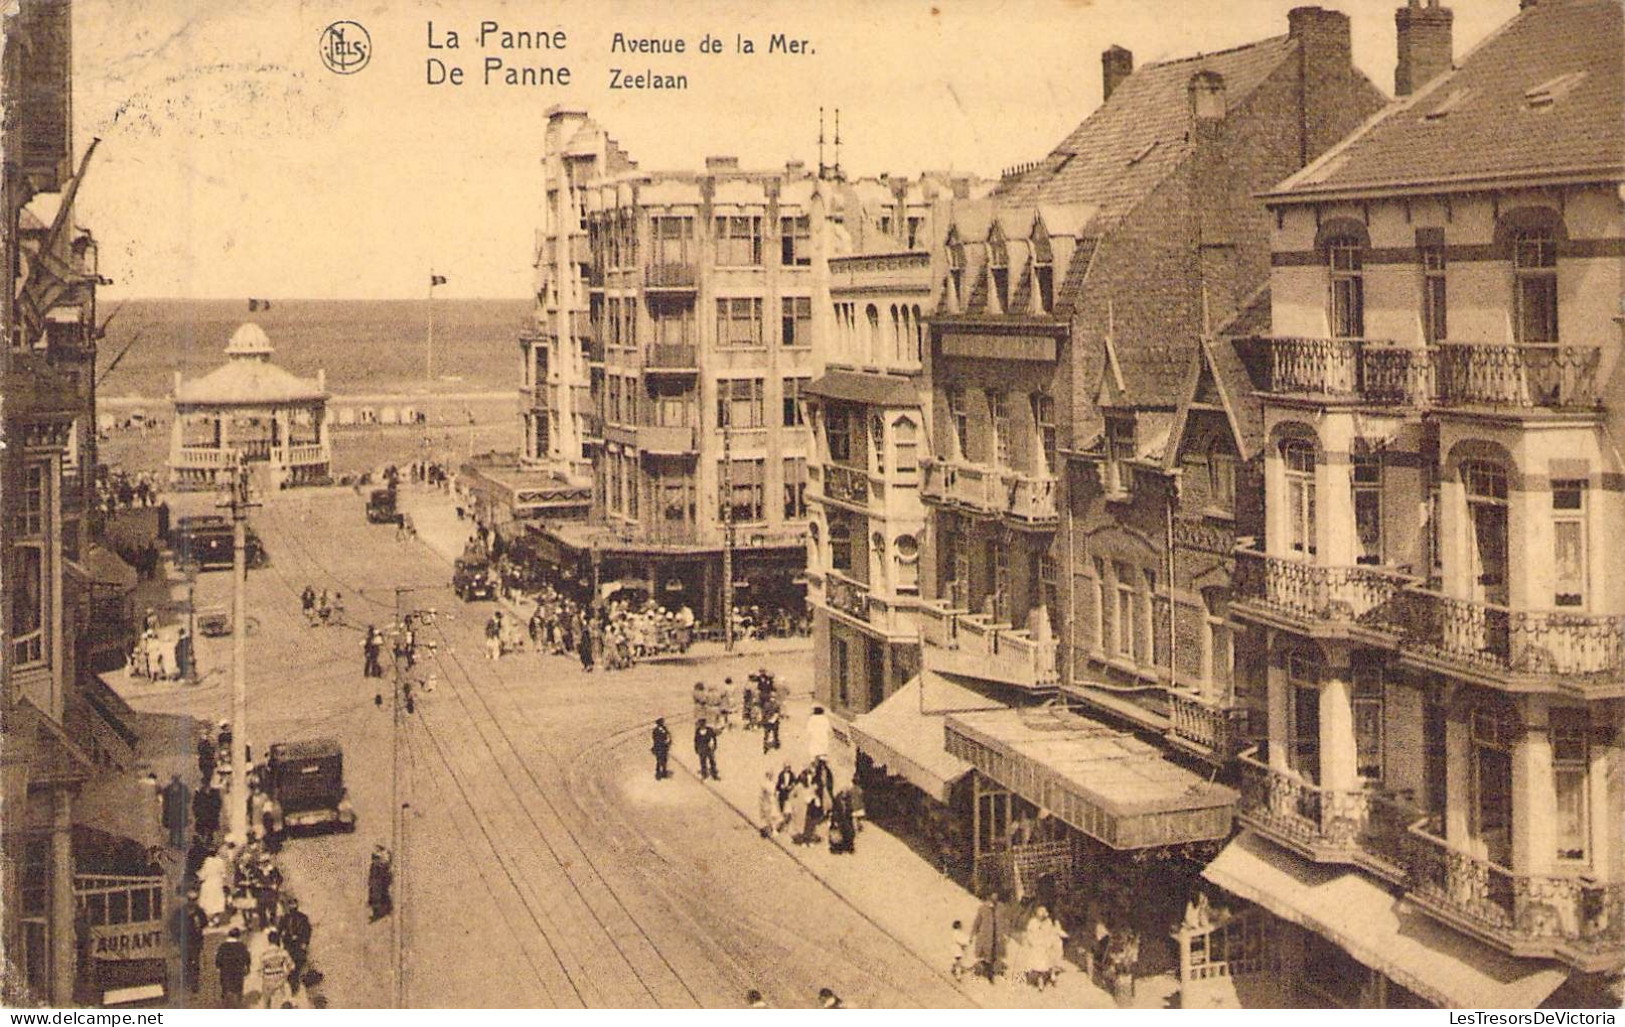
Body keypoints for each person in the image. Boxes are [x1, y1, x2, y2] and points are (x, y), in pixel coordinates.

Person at [278, 897, 313, 995]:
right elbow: (279, 931)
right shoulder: (285, 918)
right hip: (289, 945)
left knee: (298, 964)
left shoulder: (303, 918)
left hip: (298, 944)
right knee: (292, 965)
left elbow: (308, 931)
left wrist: (305, 943)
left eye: (293, 906)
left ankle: (297, 982)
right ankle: (294, 985)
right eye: (291, 906)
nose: (292, 909)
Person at [215, 926, 251, 1008]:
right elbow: (247, 958)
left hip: (225, 972)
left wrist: (218, 967)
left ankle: (226, 1005)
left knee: (225, 988)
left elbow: (218, 958)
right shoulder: (242, 946)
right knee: (238, 989)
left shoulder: (222, 946)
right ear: (238, 936)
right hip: (238, 971)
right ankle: (238, 1005)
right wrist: (248, 968)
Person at [260, 929, 295, 1008]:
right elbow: (292, 966)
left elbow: (260, 971)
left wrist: (265, 976)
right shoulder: (282, 952)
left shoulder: (263, 954)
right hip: (281, 981)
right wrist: (286, 973)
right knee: (286, 1000)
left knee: (266, 1001)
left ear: (269, 941)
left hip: (268, 982)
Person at [181, 893, 208, 993]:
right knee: (187, 961)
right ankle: (188, 980)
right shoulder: (183, 911)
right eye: (191, 899)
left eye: (194, 899)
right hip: (186, 941)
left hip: (196, 941)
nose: (193, 901)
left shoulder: (199, 911)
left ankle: (194, 984)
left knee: (195, 962)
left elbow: (205, 923)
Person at [368, 845, 393, 921]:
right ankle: (381, 909)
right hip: (377, 881)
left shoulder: (383, 863)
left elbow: (386, 874)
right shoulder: (376, 865)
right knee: (379, 893)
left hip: (380, 881)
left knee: (381, 893)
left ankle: (382, 910)